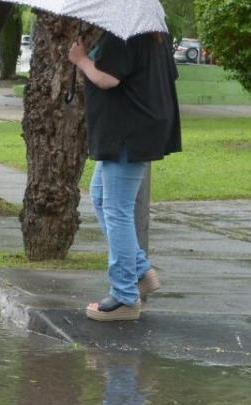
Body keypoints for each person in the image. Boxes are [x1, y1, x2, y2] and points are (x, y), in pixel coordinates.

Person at [69, 31, 182, 321]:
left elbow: (108, 78)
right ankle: (140, 271)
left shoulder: (124, 35)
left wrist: (81, 60)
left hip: (127, 132)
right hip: (137, 128)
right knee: (101, 196)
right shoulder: (153, 33)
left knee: (116, 208)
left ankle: (124, 297)